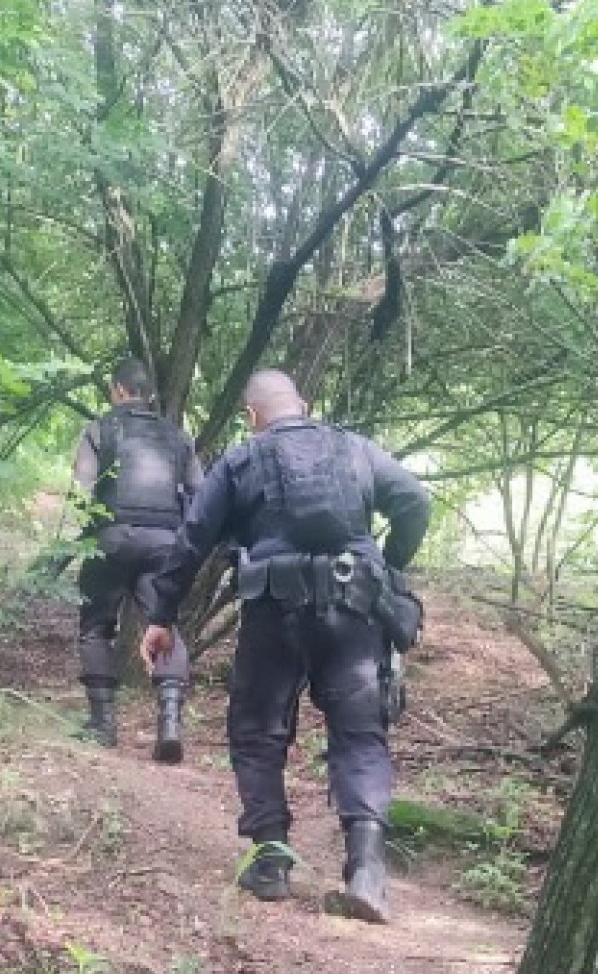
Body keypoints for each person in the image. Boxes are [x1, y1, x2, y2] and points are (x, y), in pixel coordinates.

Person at [140, 369, 430, 924]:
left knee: (256, 731)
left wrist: (162, 616)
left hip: (274, 614)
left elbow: (192, 539)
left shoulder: (241, 461)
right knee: (360, 736)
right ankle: (366, 871)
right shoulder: (355, 448)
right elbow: (414, 501)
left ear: (252, 416)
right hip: (355, 613)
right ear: (306, 404)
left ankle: (271, 862)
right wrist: (389, 565)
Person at [71, 358, 201, 760]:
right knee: (163, 625)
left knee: (96, 626)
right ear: (149, 394)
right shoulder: (179, 438)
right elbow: (199, 493)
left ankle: (103, 723)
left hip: (111, 539)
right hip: (164, 544)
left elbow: (81, 493)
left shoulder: (99, 429)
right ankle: (170, 723)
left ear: (117, 391)